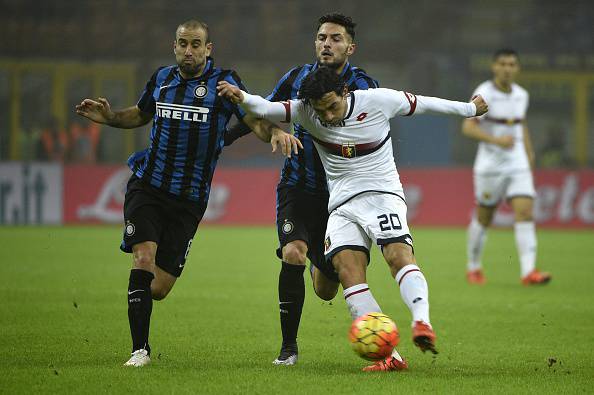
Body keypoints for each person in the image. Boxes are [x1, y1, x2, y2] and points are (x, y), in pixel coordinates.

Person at [217, 66, 488, 371]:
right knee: (346, 270)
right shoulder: (308, 112)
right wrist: (240, 96)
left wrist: (470, 109)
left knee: (397, 255)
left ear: (346, 92)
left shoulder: (378, 100)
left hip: (382, 195)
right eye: (322, 111)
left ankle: (421, 322)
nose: (329, 117)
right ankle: (389, 356)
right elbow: (264, 108)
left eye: (333, 106)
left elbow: (426, 103)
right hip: (342, 205)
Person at [75, 19, 300, 367]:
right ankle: (140, 351)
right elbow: (139, 114)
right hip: (147, 185)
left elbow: (252, 117)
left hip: (190, 199)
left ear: (208, 49)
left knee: (159, 287)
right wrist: (111, 117)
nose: (189, 51)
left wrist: (272, 133)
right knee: (143, 259)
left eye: (196, 45)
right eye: (183, 44)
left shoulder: (224, 84)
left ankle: (138, 300)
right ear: (174, 45)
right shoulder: (162, 79)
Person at [225, 13, 380, 367]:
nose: (327, 43)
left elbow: (377, 129)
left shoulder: (365, 86)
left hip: (341, 199)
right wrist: (226, 138)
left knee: (327, 289)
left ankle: (320, 261)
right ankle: (288, 349)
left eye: (336, 38)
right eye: (322, 37)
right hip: (297, 187)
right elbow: (261, 112)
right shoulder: (296, 78)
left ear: (350, 47)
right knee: (292, 252)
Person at [462, 49, 551, 286]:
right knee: (484, 217)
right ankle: (473, 266)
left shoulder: (522, 94)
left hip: (517, 163)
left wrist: (529, 154)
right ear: (494, 67)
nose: (507, 68)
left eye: (512, 64)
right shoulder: (484, 92)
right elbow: (468, 128)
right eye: (502, 64)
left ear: (517, 68)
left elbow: (521, 126)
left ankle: (528, 271)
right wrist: (496, 141)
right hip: (490, 167)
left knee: (525, 211)